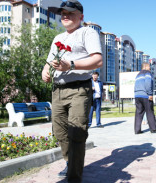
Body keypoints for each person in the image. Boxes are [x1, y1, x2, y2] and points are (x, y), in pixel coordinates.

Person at [42, 0, 102, 182]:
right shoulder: (57, 38)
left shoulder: (87, 32)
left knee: (76, 133)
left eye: (70, 13)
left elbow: (98, 60)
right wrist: (45, 71)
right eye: (63, 13)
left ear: (81, 16)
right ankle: (71, 162)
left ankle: (74, 177)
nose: (65, 16)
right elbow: (49, 61)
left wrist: (72, 64)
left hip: (78, 90)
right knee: (60, 133)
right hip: (58, 91)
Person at [134, 62, 156, 134]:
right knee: (150, 111)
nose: (150, 68)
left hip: (137, 95)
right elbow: (148, 83)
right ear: (146, 66)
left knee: (138, 113)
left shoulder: (138, 75)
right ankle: (153, 129)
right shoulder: (147, 73)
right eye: (149, 66)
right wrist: (150, 93)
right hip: (145, 95)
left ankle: (137, 130)